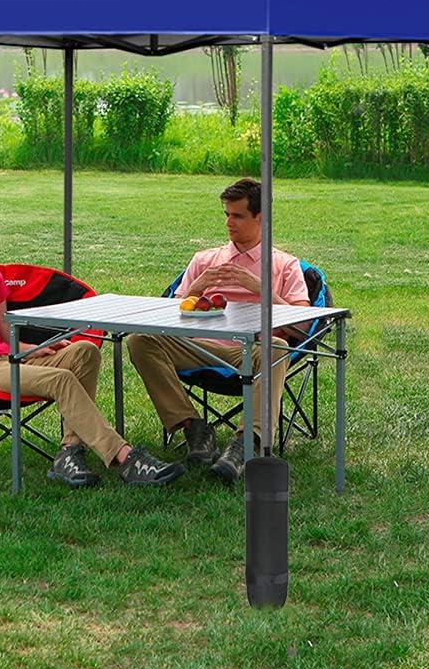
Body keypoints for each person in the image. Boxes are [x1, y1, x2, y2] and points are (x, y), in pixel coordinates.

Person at [0, 196, 184, 488]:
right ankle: (125, 458)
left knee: (84, 351)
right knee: (61, 379)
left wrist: (33, 350)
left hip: (7, 358)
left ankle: (69, 453)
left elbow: (3, 335)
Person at [126, 178, 310, 483]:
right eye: (226, 214)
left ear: (261, 218)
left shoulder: (284, 265)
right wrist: (197, 287)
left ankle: (246, 444)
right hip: (198, 347)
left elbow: (305, 323)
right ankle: (194, 428)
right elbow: (164, 317)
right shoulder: (204, 260)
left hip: (251, 352)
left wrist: (260, 289)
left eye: (237, 215)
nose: (228, 222)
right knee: (139, 340)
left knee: (276, 347)